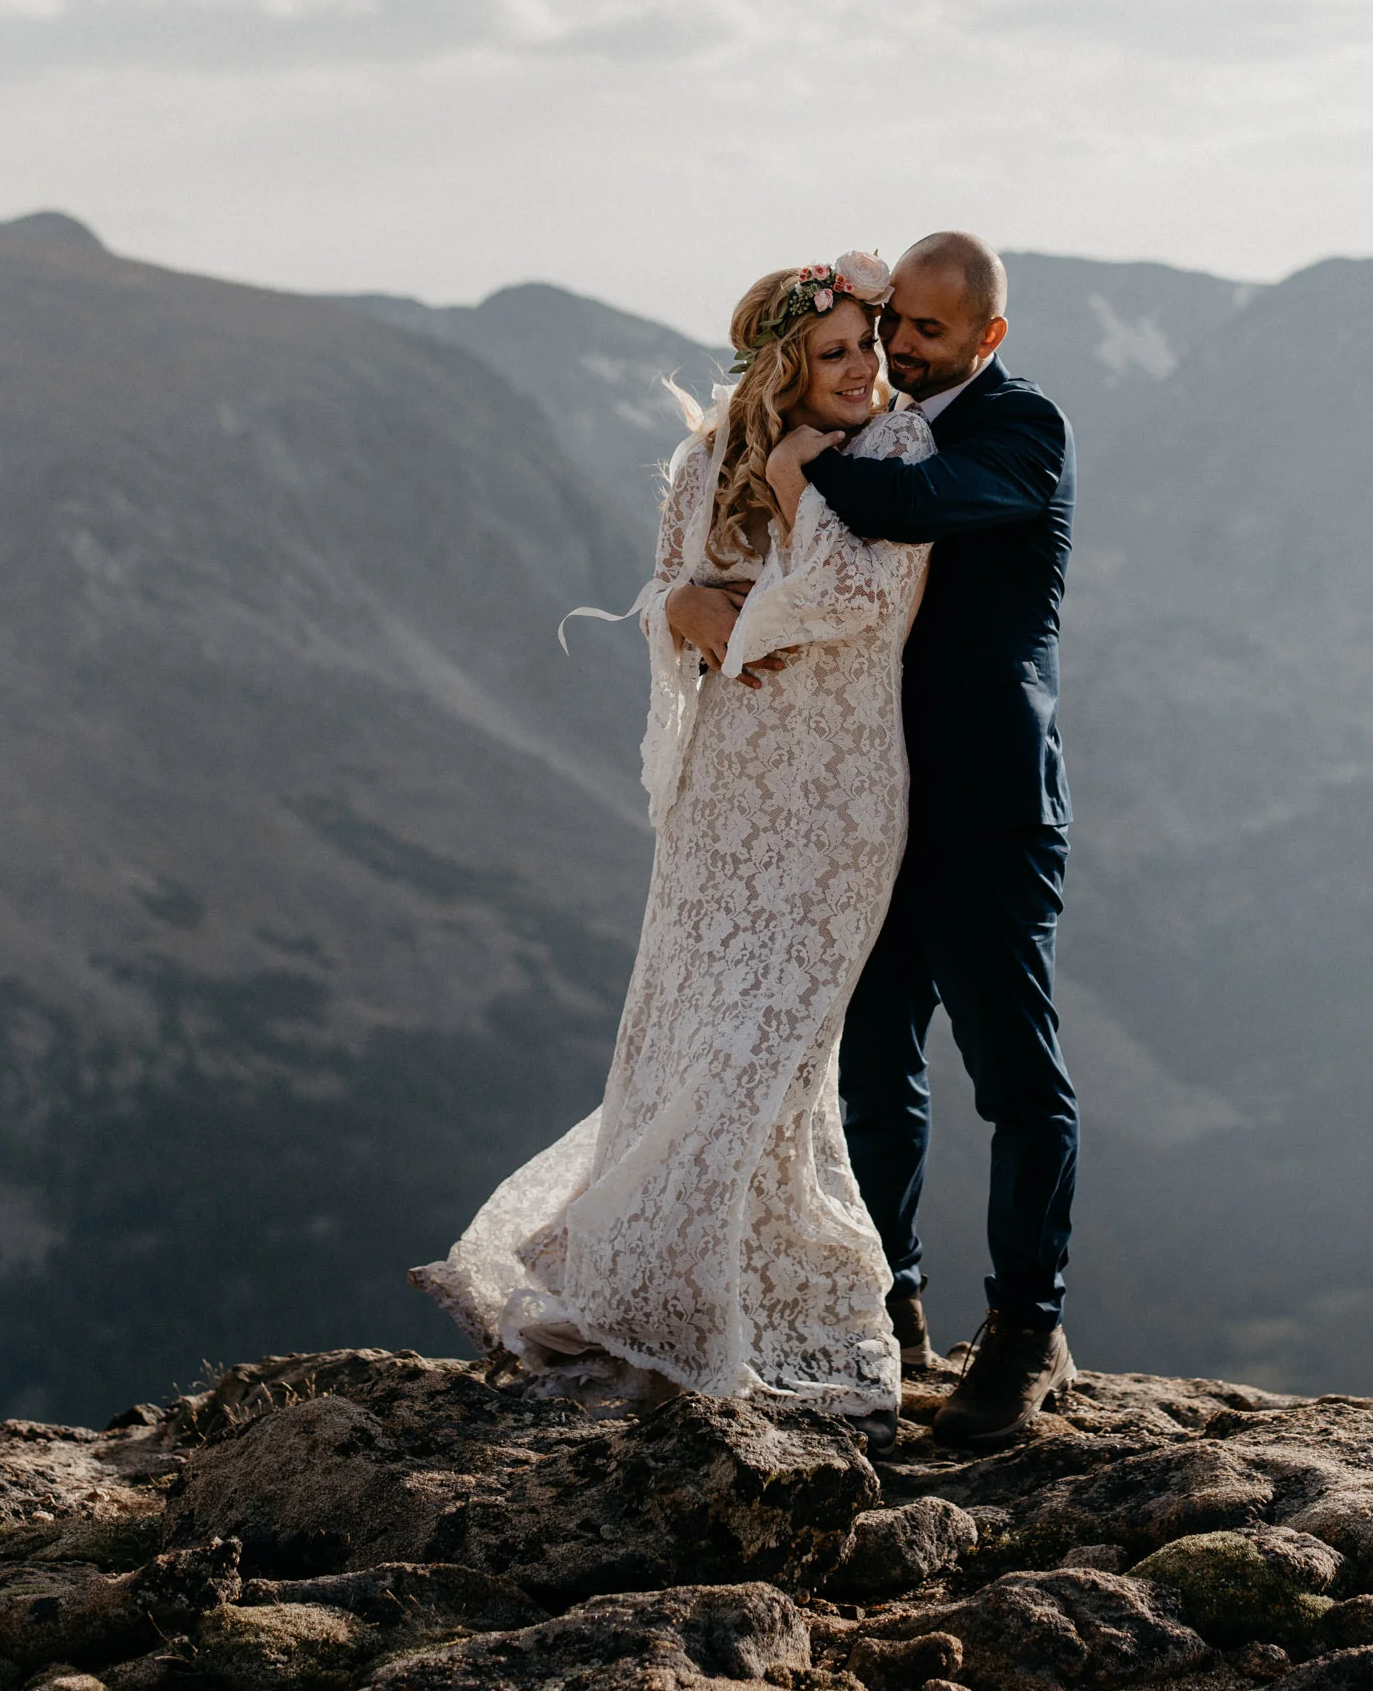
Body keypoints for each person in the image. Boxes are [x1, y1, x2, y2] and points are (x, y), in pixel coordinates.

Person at [412, 252, 935, 1453]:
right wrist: (681, 612)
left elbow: (856, 600)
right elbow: (665, 589)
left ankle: (720, 1311)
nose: (864, 369)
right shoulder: (706, 459)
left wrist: (801, 483)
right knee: (687, 1037)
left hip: (839, 797)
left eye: (869, 346)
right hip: (725, 800)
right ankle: (673, 1304)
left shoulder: (894, 453)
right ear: (781, 364)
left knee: (768, 1057)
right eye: (836, 351)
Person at [767, 231, 1078, 1449]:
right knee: (875, 1067)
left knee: (1014, 1079)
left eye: (927, 334)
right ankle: (886, 1303)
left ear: (986, 336)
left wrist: (811, 463)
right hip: (871, 801)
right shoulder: (865, 421)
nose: (898, 349)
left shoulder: (1020, 427)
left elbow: (920, 508)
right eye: (893, 325)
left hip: (991, 802)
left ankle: (1023, 1332)